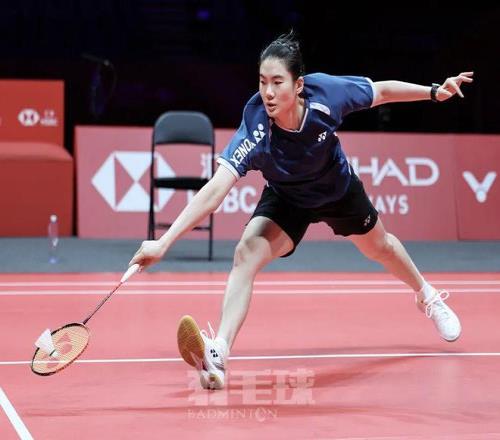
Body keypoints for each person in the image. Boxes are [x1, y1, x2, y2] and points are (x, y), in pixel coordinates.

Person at [129, 32, 473, 390]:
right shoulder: (256, 124)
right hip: (287, 198)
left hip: (336, 189)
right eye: (262, 81)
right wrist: (163, 242)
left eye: (278, 82)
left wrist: (434, 92)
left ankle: (427, 296)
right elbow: (215, 189)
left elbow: (381, 91)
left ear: (298, 85)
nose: (268, 92)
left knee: (380, 247)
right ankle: (219, 352)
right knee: (246, 253)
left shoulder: (327, 94)